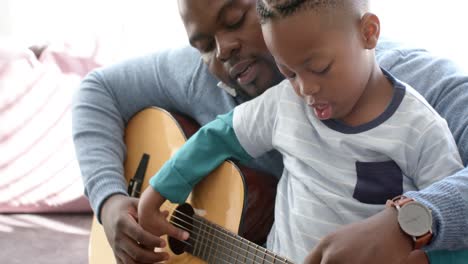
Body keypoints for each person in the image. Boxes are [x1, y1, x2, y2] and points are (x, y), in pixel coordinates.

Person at [71, 0, 468, 263]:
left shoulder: (416, 82)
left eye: (235, 18)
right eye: (204, 44)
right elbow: (97, 91)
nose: (223, 49)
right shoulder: (204, 76)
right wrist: (109, 202)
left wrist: (408, 222)